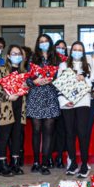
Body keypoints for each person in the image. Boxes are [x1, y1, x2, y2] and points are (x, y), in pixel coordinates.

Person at [26, 34, 63, 175]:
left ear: (50, 43)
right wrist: (34, 82)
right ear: (37, 44)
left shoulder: (56, 59)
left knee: (48, 132)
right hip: (35, 96)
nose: (43, 43)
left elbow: (62, 79)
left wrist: (53, 80)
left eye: (46, 41)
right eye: (41, 41)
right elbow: (26, 78)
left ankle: (45, 163)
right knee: (36, 131)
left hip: (50, 96)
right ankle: (36, 162)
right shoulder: (32, 58)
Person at [59, 41, 94, 177]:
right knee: (69, 133)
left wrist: (83, 79)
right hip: (68, 103)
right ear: (71, 51)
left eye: (80, 50)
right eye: (75, 49)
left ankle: (84, 164)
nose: (77, 52)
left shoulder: (87, 66)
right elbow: (59, 85)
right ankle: (72, 163)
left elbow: (92, 85)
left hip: (83, 102)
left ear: (83, 52)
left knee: (82, 133)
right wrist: (64, 101)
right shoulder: (63, 65)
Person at [0, 45, 28, 176]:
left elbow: (26, 90)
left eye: (19, 54)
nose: (17, 56)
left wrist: (26, 86)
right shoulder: (2, 70)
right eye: (14, 53)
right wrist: (8, 96)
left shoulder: (23, 71)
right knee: (4, 136)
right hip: (6, 107)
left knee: (17, 136)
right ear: (8, 56)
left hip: (20, 107)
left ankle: (15, 164)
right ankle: (3, 165)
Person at [51, 39, 69, 169]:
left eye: (63, 48)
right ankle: (48, 157)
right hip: (50, 99)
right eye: (58, 47)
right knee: (50, 130)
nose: (61, 50)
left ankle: (59, 157)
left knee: (62, 130)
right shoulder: (50, 61)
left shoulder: (67, 63)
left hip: (63, 99)